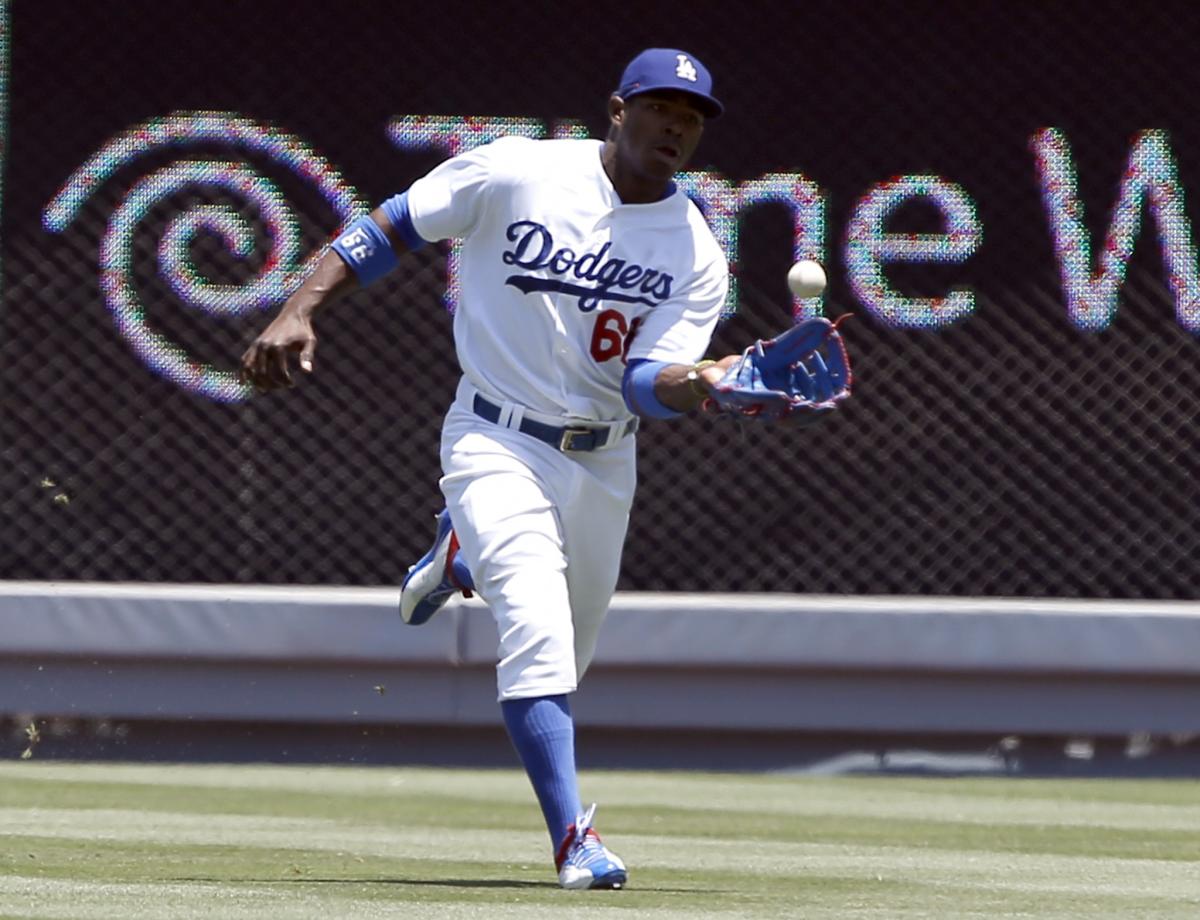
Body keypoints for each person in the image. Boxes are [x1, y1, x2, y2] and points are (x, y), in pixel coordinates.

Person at [241, 48, 739, 890]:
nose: (676, 126)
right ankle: (574, 841)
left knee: (567, 657)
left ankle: (456, 557)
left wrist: (710, 383)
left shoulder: (695, 250)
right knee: (538, 642)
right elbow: (392, 224)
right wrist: (299, 308)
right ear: (617, 110)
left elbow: (648, 383)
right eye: (660, 107)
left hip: (602, 459)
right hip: (495, 437)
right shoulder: (519, 170)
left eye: (691, 117)